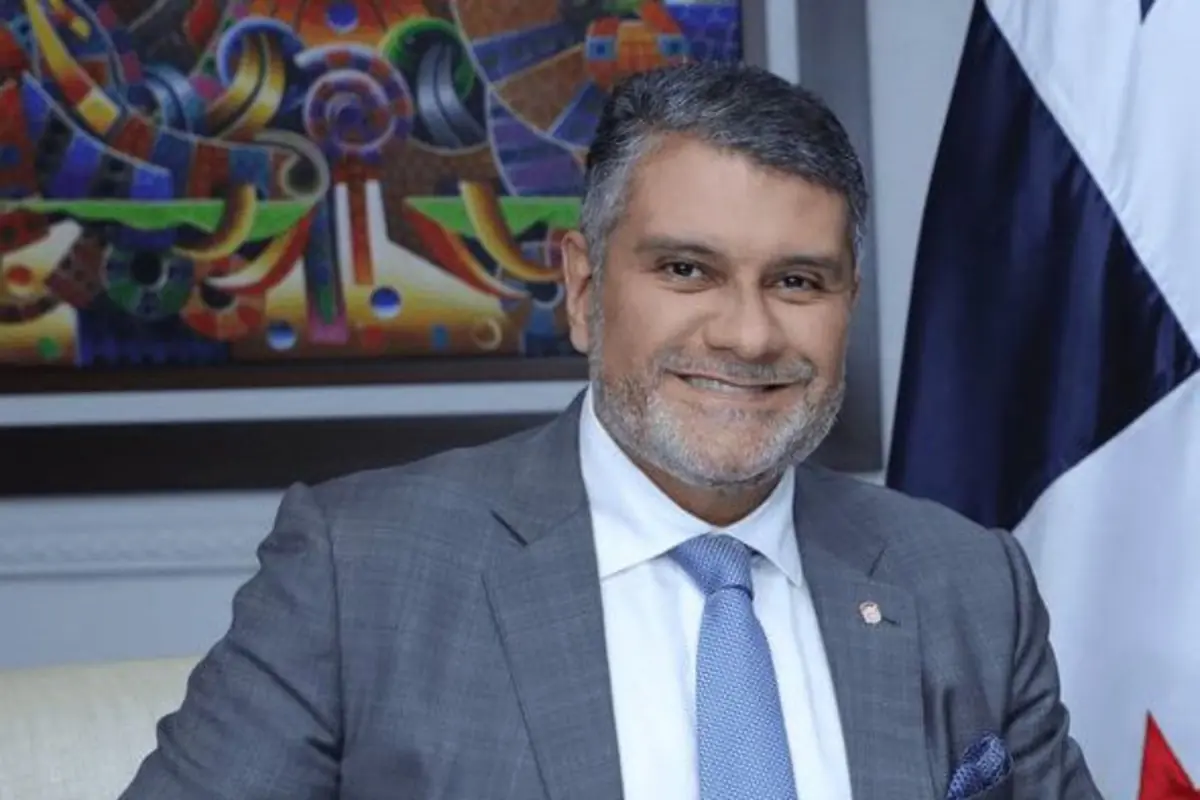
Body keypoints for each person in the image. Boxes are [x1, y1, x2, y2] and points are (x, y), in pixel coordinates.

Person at [121, 62, 1100, 799]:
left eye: (798, 280)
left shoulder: (970, 583)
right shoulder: (360, 569)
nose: (749, 332)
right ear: (585, 290)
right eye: (687, 270)